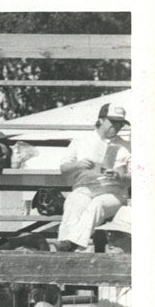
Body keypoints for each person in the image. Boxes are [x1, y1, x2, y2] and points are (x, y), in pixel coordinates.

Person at [52, 103, 131, 252]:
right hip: (86, 187)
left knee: (97, 204)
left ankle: (70, 246)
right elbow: (64, 169)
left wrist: (118, 176)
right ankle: (66, 249)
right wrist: (79, 165)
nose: (118, 126)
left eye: (121, 123)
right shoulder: (82, 140)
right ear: (101, 120)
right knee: (74, 202)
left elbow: (137, 177)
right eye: (113, 122)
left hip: (114, 192)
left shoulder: (126, 146)